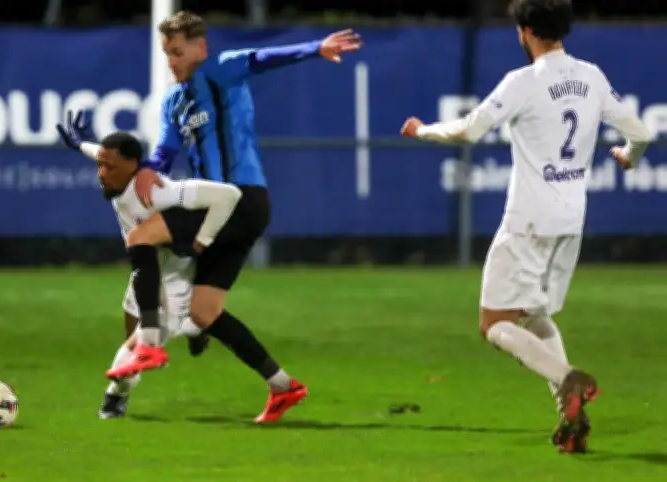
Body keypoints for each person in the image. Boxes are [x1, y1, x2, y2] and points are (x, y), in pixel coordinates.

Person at [400, 0, 653, 453]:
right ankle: (570, 417)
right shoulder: (591, 76)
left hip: (528, 221)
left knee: (493, 323)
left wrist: (422, 131)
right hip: (570, 221)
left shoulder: (524, 82)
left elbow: (469, 131)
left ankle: (567, 379)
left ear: (526, 31)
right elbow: (642, 133)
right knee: (535, 316)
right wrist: (629, 159)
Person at [111, 11, 362, 423]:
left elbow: (264, 58)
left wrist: (316, 49)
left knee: (141, 237)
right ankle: (282, 385)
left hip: (241, 199)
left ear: (200, 48)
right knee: (203, 312)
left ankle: (152, 339)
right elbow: (163, 153)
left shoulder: (221, 70)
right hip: (215, 208)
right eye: (166, 53)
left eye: (177, 52)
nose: (171, 61)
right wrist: (149, 167)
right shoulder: (174, 103)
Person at [56, 111, 240, 419]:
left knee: (140, 340)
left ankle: (113, 400)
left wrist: (201, 241)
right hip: (145, 262)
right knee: (132, 324)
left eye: (108, 167)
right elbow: (104, 158)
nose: (101, 173)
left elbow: (229, 196)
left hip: (176, 270)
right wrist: (81, 145)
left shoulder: (156, 193)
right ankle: (193, 330)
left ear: (132, 167)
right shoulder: (118, 177)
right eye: (100, 164)